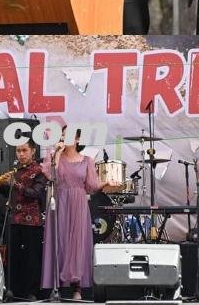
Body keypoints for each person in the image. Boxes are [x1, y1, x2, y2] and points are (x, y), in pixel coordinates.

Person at [42, 126, 119, 300]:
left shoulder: (87, 160)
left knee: (78, 243)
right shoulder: (55, 157)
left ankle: (78, 288)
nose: (64, 138)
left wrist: (106, 183)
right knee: (59, 240)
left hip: (78, 203)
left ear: (77, 140)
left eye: (68, 136)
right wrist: (57, 153)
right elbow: (49, 175)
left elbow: (91, 186)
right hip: (59, 201)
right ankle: (58, 285)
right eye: (62, 135)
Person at [0, 140, 47, 300]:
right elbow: (11, 195)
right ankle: (13, 290)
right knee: (13, 257)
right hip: (14, 219)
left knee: (32, 258)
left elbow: (36, 193)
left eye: (24, 150)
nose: (21, 154)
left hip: (32, 221)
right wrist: (2, 185)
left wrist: (15, 184)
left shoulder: (39, 171)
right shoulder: (15, 171)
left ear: (33, 151)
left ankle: (32, 292)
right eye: (18, 151)